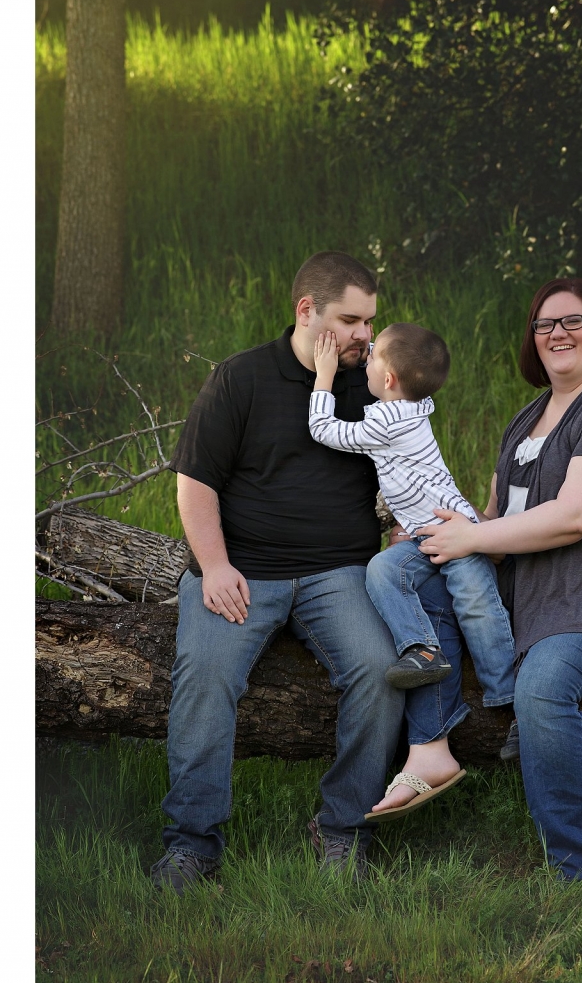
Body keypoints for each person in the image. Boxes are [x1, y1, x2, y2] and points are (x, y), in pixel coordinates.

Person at [150, 251, 470, 892]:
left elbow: (412, 470)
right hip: (243, 570)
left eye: (370, 322)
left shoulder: (377, 385)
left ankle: (344, 828)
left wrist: (415, 528)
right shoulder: (241, 378)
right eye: (351, 320)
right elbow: (194, 484)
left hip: (340, 573)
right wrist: (213, 567)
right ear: (307, 311)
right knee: (205, 677)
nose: (365, 336)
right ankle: (193, 845)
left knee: (384, 673)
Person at [411, 278, 582, 882]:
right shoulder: (526, 420)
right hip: (531, 595)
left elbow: (575, 517)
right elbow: (503, 519)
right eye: (545, 325)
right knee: (403, 578)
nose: (558, 334)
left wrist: (474, 538)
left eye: (573, 321)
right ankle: (428, 752)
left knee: (544, 689)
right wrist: (455, 532)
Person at [309, 322, 516, 716]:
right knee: (384, 570)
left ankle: (509, 698)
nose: (364, 356)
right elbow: (398, 357)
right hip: (424, 535)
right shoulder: (414, 402)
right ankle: (423, 649)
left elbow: (323, 430)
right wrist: (367, 345)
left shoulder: (386, 423)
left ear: (387, 378)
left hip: (455, 533)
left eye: (370, 356)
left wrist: (324, 375)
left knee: (478, 606)